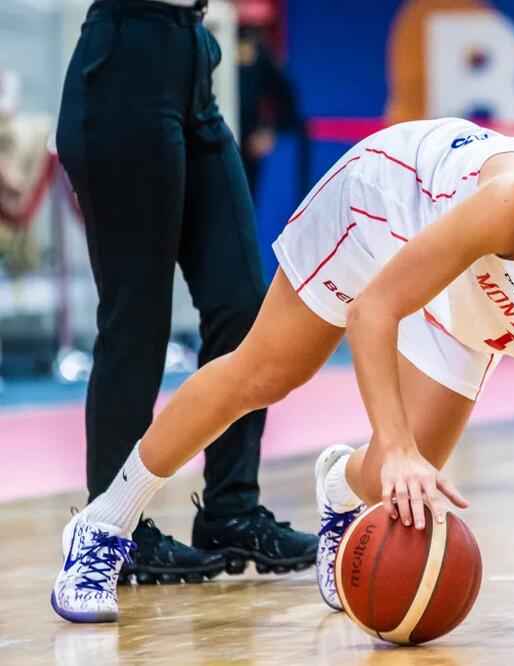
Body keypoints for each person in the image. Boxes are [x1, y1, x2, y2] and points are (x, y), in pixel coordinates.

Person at [52, 111, 514, 641]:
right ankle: (104, 524)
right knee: (268, 372)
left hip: (474, 290)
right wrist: (391, 443)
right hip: (385, 206)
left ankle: (339, 489)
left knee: (421, 461)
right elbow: (374, 310)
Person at [54, 0, 316, 587]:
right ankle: (112, 526)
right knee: (137, 317)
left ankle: (232, 508)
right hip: (126, 60)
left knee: (247, 306)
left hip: (193, 56)